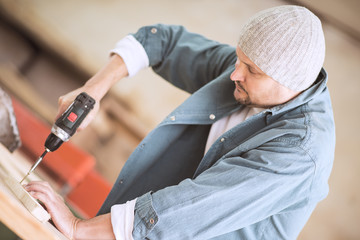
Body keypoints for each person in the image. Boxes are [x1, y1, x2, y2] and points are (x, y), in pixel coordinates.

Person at [24, 5, 335, 240]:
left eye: (252, 70)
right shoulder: (241, 74)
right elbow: (163, 42)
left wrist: (80, 229)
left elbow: (189, 209)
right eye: (239, 59)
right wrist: (94, 88)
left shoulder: (300, 152)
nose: (234, 74)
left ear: (292, 82)